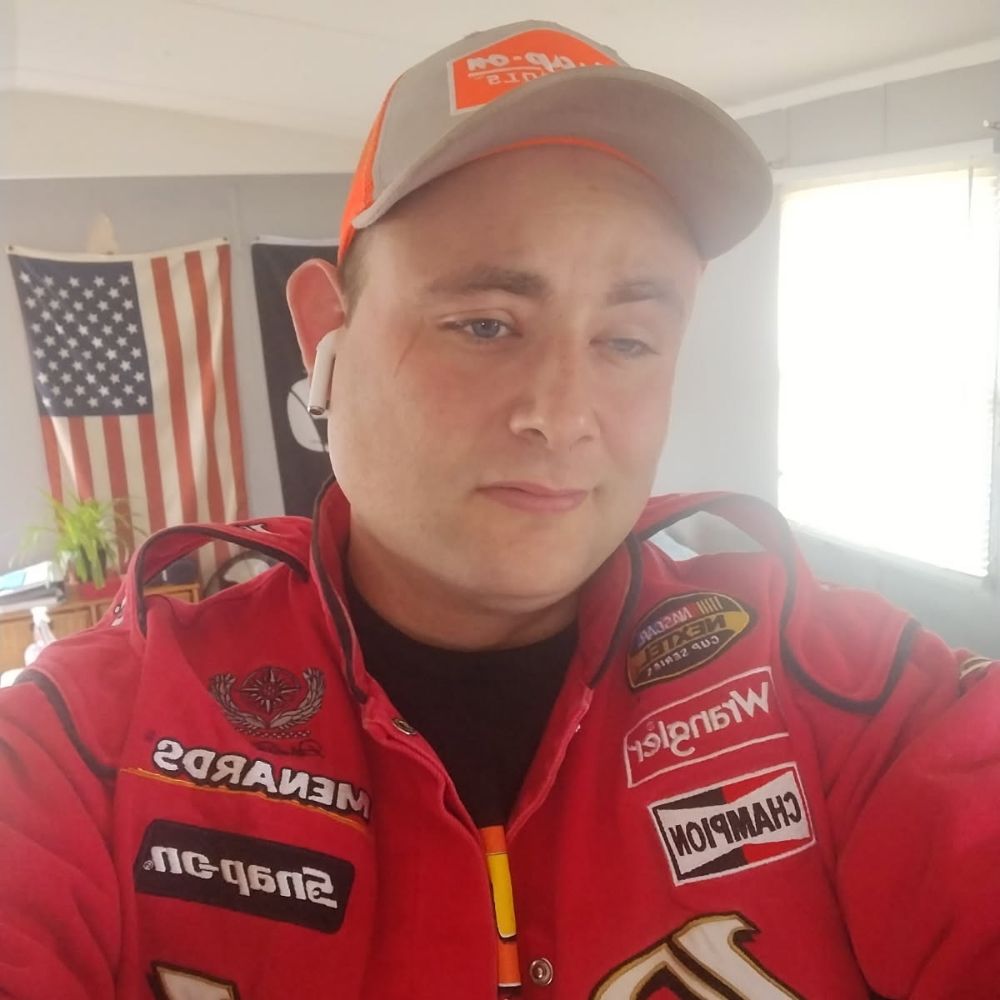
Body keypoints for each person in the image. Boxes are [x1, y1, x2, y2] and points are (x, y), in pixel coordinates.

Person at [1, 19, 997, 1000]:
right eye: (484, 324)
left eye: (627, 340)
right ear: (325, 333)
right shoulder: (92, 744)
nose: (561, 415)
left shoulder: (844, 692)